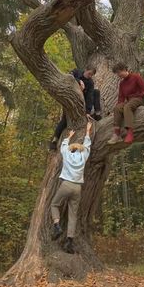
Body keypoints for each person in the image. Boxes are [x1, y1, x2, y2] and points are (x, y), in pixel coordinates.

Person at [51, 121, 92, 254]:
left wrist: (69, 136)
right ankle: (70, 241)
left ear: (71, 149)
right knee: (72, 215)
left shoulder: (67, 154)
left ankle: (56, 225)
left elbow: (63, 145)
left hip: (66, 185)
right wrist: (87, 131)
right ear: (79, 150)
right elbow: (87, 145)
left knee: (54, 204)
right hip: (77, 188)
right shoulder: (83, 156)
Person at [50, 66, 101, 150]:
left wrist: (87, 112)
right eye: (89, 73)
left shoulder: (90, 82)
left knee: (95, 92)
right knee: (65, 119)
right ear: (85, 70)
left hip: (82, 99)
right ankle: (55, 139)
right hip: (70, 99)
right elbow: (67, 78)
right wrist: (78, 81)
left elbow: (89, 96)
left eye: (92, 75)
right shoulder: (76, 72)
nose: (90, 76)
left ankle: (97, 113)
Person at [108, 62, 144, 145]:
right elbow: (121, 97)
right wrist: (118, 106)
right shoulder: (122, 83)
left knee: (127, 107)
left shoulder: (136, 77)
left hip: (138, 99)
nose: (118, 75)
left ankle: (130, 132)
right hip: (129, 100)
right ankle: (117, 134)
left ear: (124, 70)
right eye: (117, 73)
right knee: (117, 108)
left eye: (119, 72)